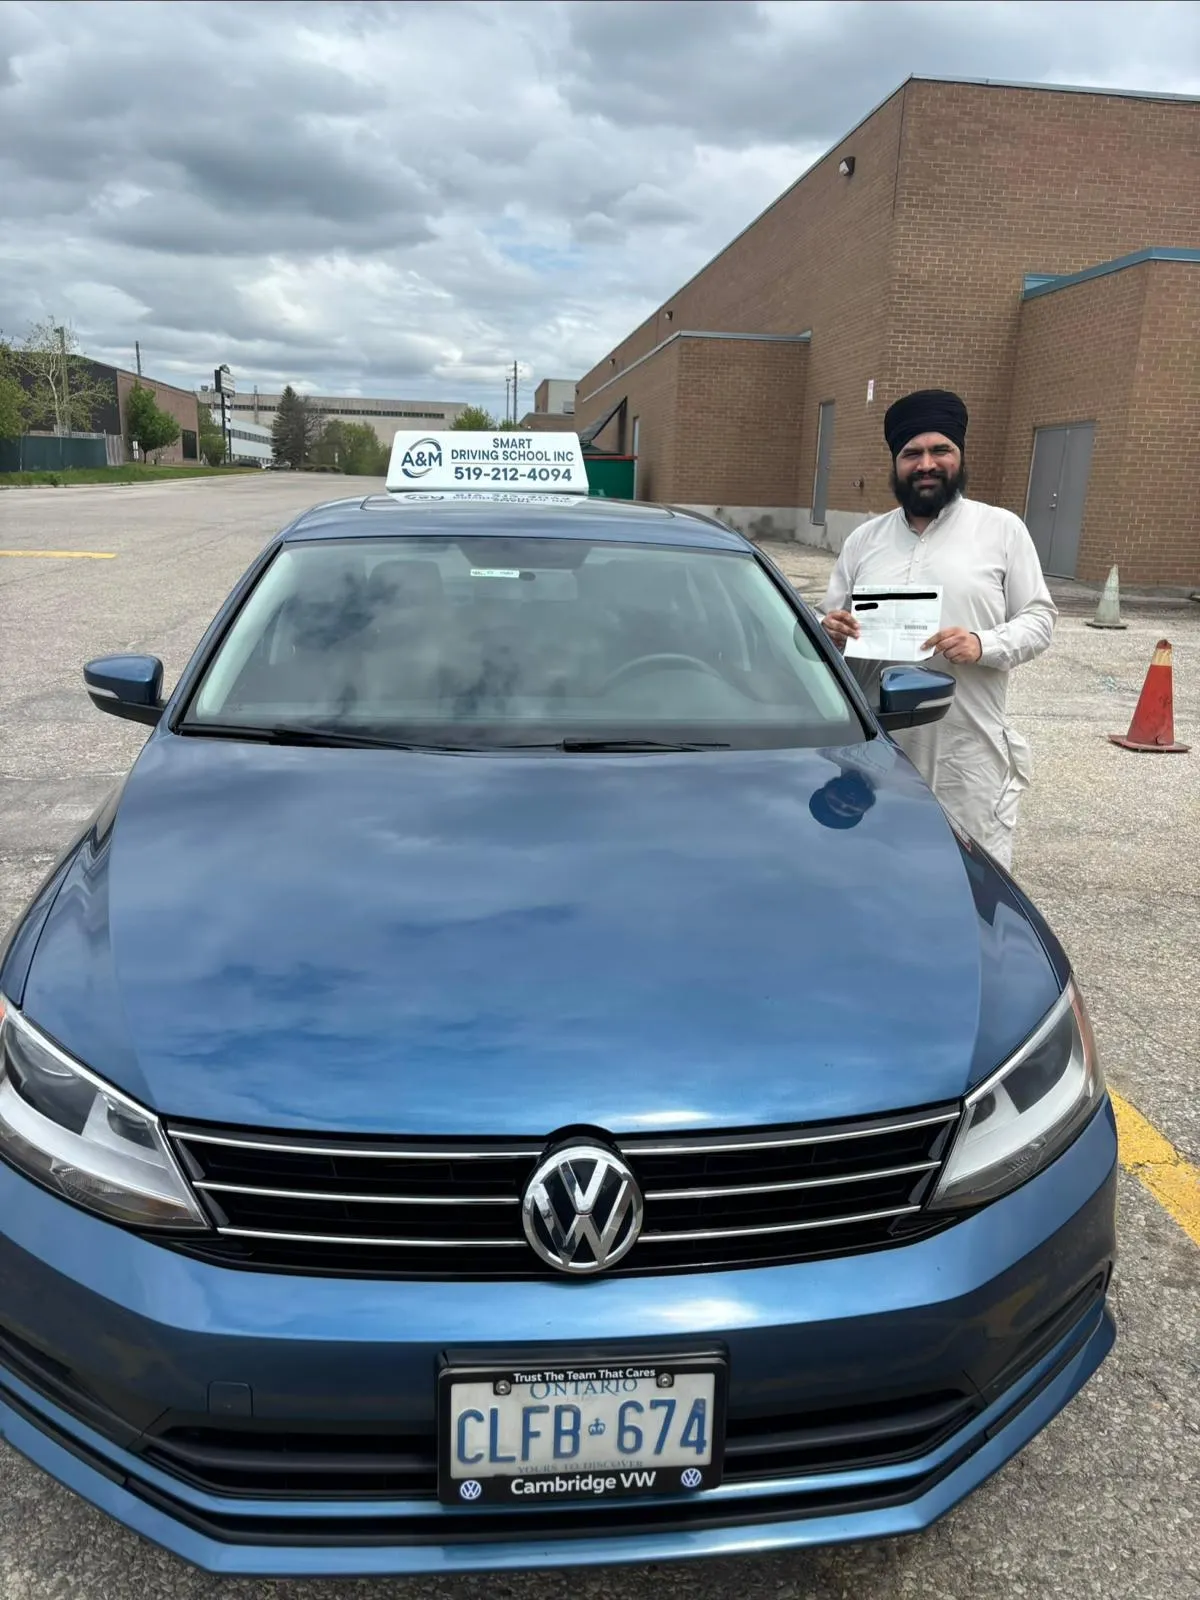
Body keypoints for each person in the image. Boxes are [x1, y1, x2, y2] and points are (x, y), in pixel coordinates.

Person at [821, 388, 1056, 869]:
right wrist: (832, 633)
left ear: (959, 455)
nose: (926, 464)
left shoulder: (1001, 530)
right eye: (912, 453)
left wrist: (983, 643)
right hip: (873, 751)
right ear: (896, 463)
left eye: (940, 450)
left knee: (966, 880)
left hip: (964, 753)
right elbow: (827, 627)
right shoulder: (864, 540)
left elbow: (1039, 619)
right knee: (870, 872)